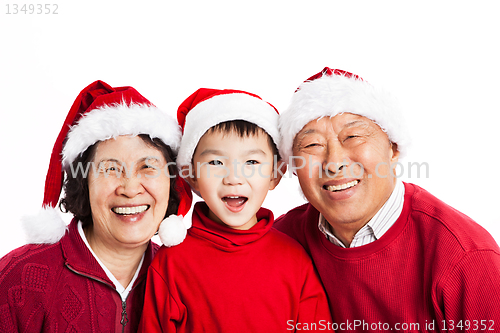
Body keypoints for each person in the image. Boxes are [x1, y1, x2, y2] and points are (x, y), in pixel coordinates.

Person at [274, 67, 500, 331]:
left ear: (393, 148)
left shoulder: (464, 257)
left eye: (353, 137)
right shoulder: (282, 242)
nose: (334, 163)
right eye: (312, 145)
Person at [0, 80, 192, 333]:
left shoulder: (182, 278)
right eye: (111, 169)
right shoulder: (19, 278)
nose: (130, 188)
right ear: (84, 182)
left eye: (147, 167)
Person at [139, 88, 333, 332]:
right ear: (191, 175)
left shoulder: (295, 260)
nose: (234, 178)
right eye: (216, 162)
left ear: (276, 174)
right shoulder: (171, 263)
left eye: (251, 162)